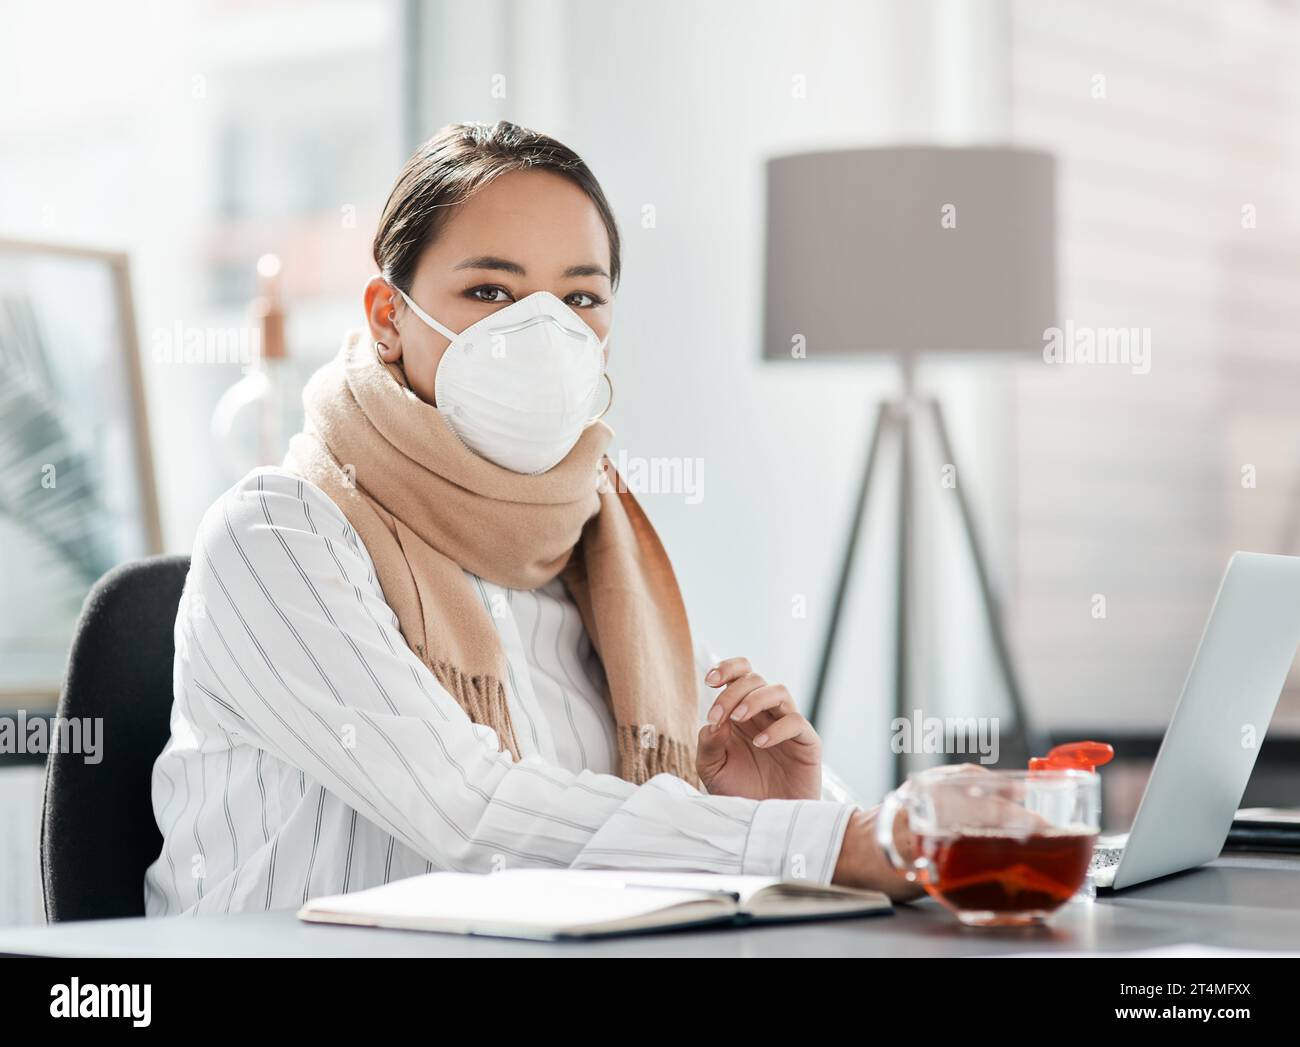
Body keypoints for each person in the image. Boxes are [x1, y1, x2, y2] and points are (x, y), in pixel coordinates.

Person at [144, 120, 925, 916]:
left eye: (580, 297)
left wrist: (781, 812)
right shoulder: (276, 532)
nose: (544, 331)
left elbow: (811, 838)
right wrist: (835, 843)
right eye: (491, 291)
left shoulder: (599, 543)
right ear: (387, 316)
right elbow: (470, 812)